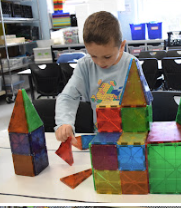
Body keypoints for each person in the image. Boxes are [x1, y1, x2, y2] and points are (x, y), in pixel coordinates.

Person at [53, 11, 139, 144]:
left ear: (122, 46)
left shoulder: (132, 64)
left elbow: (142, 104)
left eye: (107, 56)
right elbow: (68, 96)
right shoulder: (85, 65)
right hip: (102, 138)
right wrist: (64, 123)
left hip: (131, 138)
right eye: (93, 56)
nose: (100, 63)